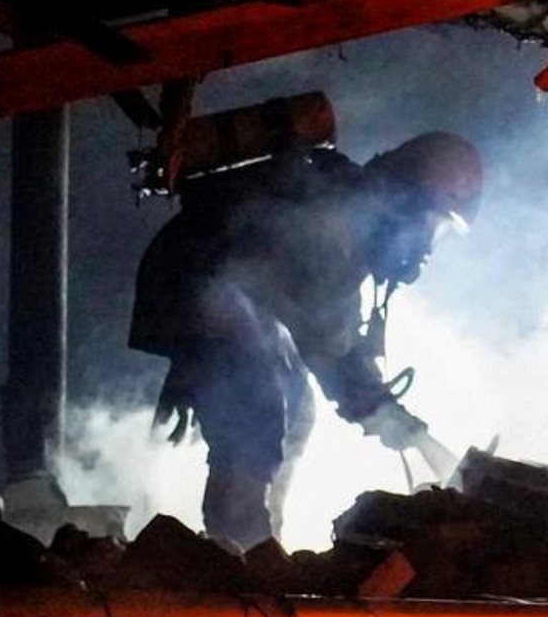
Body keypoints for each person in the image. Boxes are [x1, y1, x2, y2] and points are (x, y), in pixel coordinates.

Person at [129, 131, 480, 549]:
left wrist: (381, 410)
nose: (427, 249)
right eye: (435, 226)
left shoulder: (352, 213)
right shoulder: (341, 223)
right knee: (257, 401)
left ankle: (260, 541)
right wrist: (378, 409)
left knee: (297, 408)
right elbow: (324, 337)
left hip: (215, 281)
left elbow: (327, 332)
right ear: (408, 203)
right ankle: (242, 550)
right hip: (198, 281)